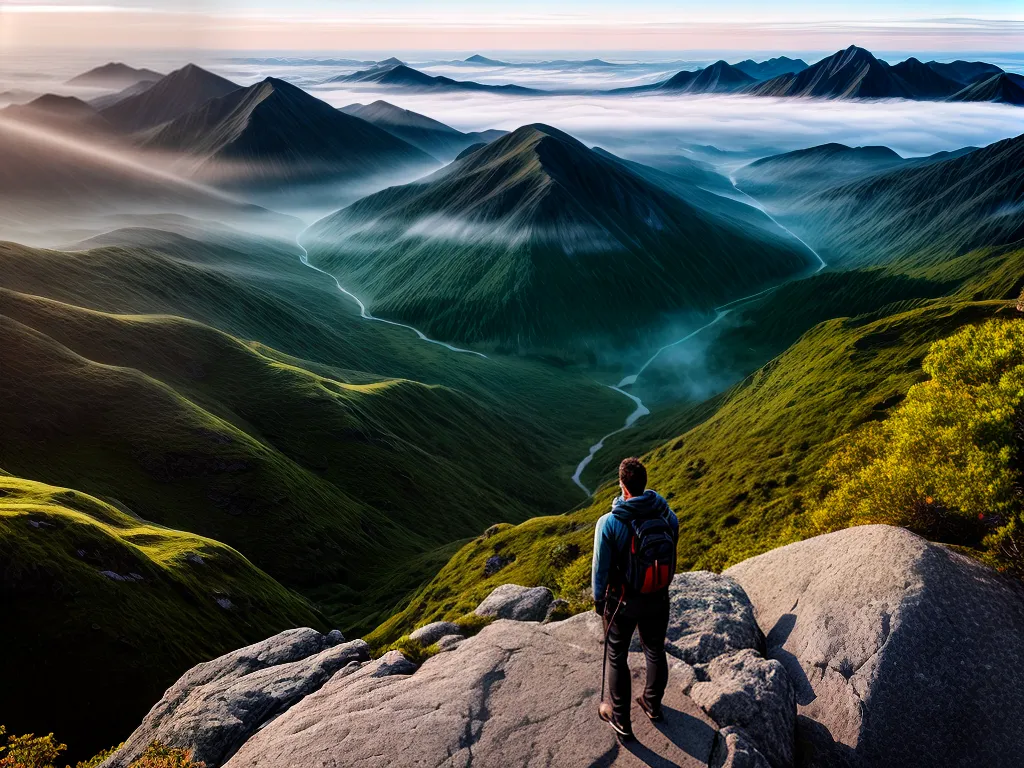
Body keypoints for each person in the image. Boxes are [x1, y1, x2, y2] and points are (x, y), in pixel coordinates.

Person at [592, 457, 679, 742]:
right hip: (657, 596)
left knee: (617, 656)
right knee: (654, 649)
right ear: (644, 483)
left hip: (623, 601)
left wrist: (598, 600)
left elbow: (600, 568)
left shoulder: (610, 522)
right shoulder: (667, 515)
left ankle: (621, 721)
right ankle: (652, 705)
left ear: (622, 485)